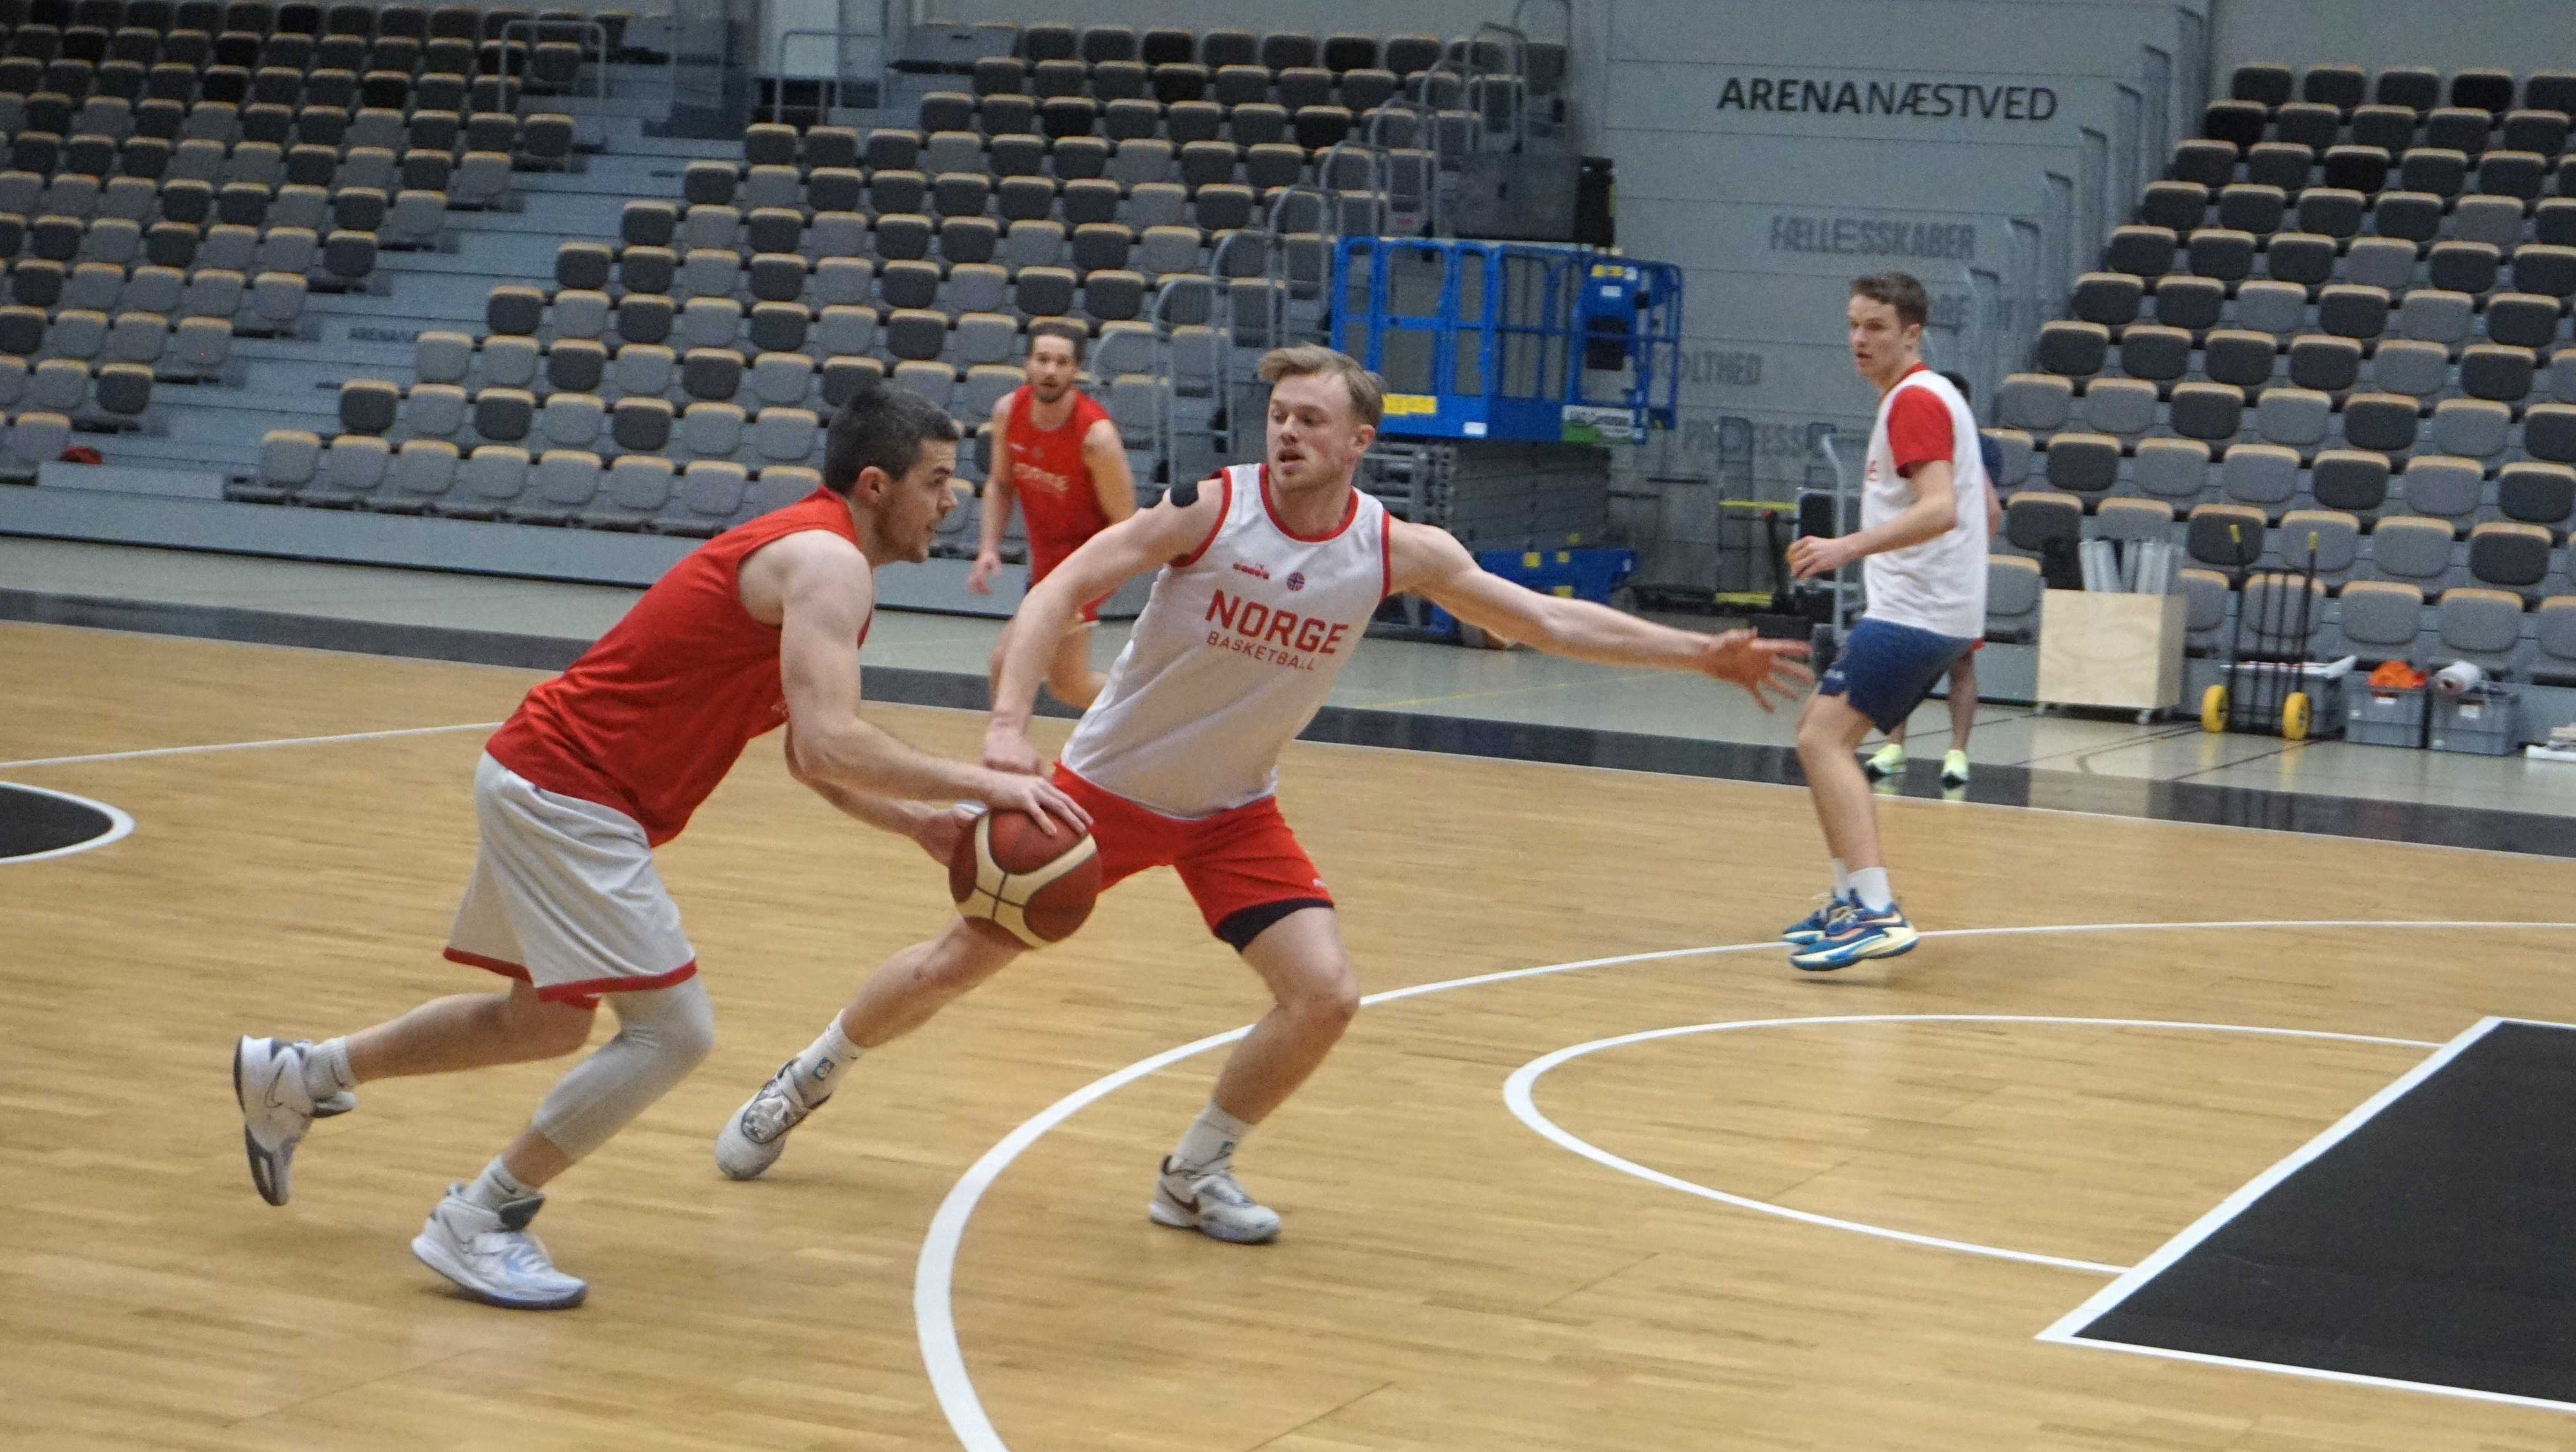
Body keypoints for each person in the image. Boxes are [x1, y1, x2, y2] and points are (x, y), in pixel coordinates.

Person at [714, 345, 1809, 1243]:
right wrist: (1008, 724)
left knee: (1325, 992)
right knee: (960, 959)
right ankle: (808, 1076)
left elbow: (1548, 620)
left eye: (1311, 420)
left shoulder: (1393, 548)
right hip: (1106, 791)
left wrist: (1697, 654)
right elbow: (1060, 588)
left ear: (1359, 442)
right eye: (1279, 414)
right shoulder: (1207, 509)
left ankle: (1195, 1170)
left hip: (1236, 807)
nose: (1287, 432)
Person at [232, 387, 1089, 1310]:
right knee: (673, 1034)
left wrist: (917, 823)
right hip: (570, 793)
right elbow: (838, 741)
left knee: (543, 1024)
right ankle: (479, 1218)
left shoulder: (819, 561)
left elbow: (809, 755)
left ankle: (300, 1076)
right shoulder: (828, 566)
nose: (951, 501)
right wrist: (992, 783)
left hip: (546, 779)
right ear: (876, 486)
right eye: (936, 482)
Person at [1777, 273, 1990, 973]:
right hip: (1938, 609)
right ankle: (1848, 899)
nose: (1858, 339)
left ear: (1911, 333)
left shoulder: (1915, 401)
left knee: (1820, 739)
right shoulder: (1939, 399)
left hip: (1917, 613)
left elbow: (1941, 509)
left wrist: (1844, 548)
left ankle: (1873, 907)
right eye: (1852, 325)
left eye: (1874, 327)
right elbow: (1985, 507)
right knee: (1819, 731)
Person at [968, 321, 1139, 710]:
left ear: (1075, 370)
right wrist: (988, 548)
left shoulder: (1097, 438)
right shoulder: (1008, 411)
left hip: (1086, 566)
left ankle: (1003, 761)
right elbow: (1000, 484)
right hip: (1045, 563)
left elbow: (1126, 527)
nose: (1050, 370)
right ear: (1027, 363)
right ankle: (1156, 708)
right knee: (1068, 684)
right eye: (1042, 360)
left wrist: (1086, 585)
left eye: (1061, 362)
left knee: (1005, 661)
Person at [1862, 369, 2004, 790]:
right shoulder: (1907, 427)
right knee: (1901, 663)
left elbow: (1989, 510)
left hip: (1950, 573)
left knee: (1961, 663)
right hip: (1917, 570)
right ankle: (1893, 745)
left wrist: (1964, 557)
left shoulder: (1980, 450)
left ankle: (1956, 751)